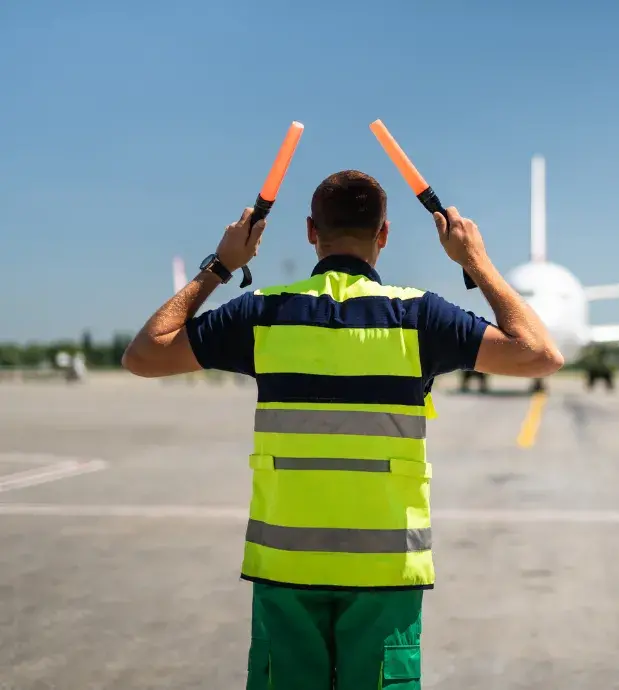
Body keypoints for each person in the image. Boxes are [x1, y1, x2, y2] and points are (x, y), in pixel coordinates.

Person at [121, 169, 563, 689]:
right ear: (384, 234)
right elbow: (540, 354)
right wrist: (475, 261)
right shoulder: (418, 317)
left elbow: (144, 355)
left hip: (285, 568)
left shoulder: (262, 314)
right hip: (384, 572)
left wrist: (222, 264)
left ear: (311, 231)